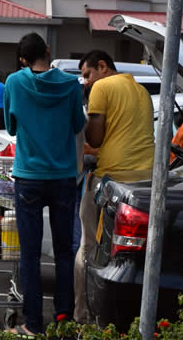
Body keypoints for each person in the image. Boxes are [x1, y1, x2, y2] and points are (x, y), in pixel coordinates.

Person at [3, 33, 85, 336]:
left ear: (23, 60)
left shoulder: (14, 82)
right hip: (63, 177)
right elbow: (78, 123)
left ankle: (33, 324)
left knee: (30, 255)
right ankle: (62, 323)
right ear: (48, 51)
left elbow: (11, 127)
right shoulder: (71, 84)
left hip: (29, 178)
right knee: (65, 253)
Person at [74, 50, 155, 324]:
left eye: (87, 74)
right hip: (145, 183)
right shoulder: (142, 92)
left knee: (88, 247)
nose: (85, 81)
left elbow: (95, 139)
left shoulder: (102, 87)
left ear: (102, 66)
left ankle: (82, 316)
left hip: (110, 181)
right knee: (126, 257)